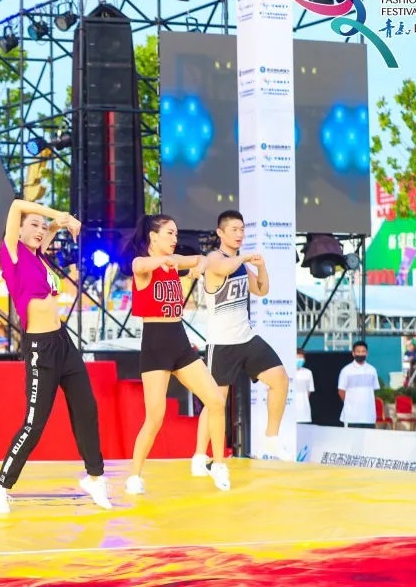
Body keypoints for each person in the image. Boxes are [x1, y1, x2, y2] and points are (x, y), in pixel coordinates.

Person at [0, 199, 110, 514]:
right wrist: (59, 215)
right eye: (33, 225)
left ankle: (95, 477)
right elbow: (15, 205)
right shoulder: (13, 255)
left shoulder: (38, 256)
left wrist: (61, 223)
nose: (40, 231)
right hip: (41, 349)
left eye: (42, 227)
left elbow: (51, 229)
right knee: (34, 423)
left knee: (86, 407)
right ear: (19, 230)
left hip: (63, 342)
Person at [125, 214, 230, 494]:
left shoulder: (173, 262)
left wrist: (197, 268)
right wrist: (166, 261)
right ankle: (134, 475)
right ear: (153, 236)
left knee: (216, 400)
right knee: (155, 417)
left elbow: (202, 259)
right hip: (155, 345)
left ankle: (218, 464)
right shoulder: (144, 265)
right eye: (169, 233)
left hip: (180, 343)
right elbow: (139, 265)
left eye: (176, 233)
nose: (175, 238)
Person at [191, 210, 293, 472]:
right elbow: (224, 267)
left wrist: (261, 267)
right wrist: (245, 257)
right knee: (215, 402)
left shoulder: (241, 265)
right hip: (221, 343)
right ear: (220, 233)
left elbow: (261, 290)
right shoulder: (214, 258)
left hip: (246, 337)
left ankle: (271, 438)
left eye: (242, 229)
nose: (239, 234)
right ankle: (200, 455)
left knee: (280, 379)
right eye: (234, 230)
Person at [337, 341, 378, 428]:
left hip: (369, 416)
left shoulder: (372, 370)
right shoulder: (346, 370)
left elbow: (374, 391)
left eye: (363, 351)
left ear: (367, 353)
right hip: (352, 417)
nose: (361, 354)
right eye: (358, 351)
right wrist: (350, 404)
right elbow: (341, 391)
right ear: (353, 353)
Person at [293, 348, 315, 424]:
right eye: (297, 358)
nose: (299, 360)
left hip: (304, 412)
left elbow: (309, 390)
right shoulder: (286, 372)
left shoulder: (308, 372)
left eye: (301, 358)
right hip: (290, 411)